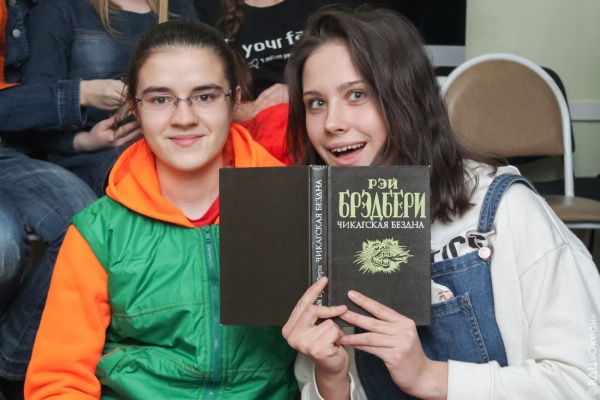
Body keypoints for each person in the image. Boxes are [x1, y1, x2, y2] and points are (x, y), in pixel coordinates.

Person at [281, 7, 600, 399]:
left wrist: (431, 377)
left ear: (405, 96)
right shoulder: (323, 232)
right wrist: (330, 380)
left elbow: (586, 382)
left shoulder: (506, 209)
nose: (332, 122)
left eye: (357, 94)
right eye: (316, 103)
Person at [24, 19, 298, 398]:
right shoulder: (98, 232)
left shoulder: (294, 208)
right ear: (134, 109)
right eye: (160, 99)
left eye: (205, 97)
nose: (184, 118)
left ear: (234, 101)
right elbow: (58, 381)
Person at [0, 0, 136, 398]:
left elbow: (28, 111)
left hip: (16, 151)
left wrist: (80, 137)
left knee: (84, 222)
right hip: (40, 140)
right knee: (4, 245)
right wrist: (84, 93)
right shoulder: (60, 10)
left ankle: (11, 360)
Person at [19, 0, 197, 195]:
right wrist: (85, 141)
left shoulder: (179, 8)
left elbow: (206, 85)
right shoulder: (60, 8)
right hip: (100, 158)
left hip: (176, 142)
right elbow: (32, 114)